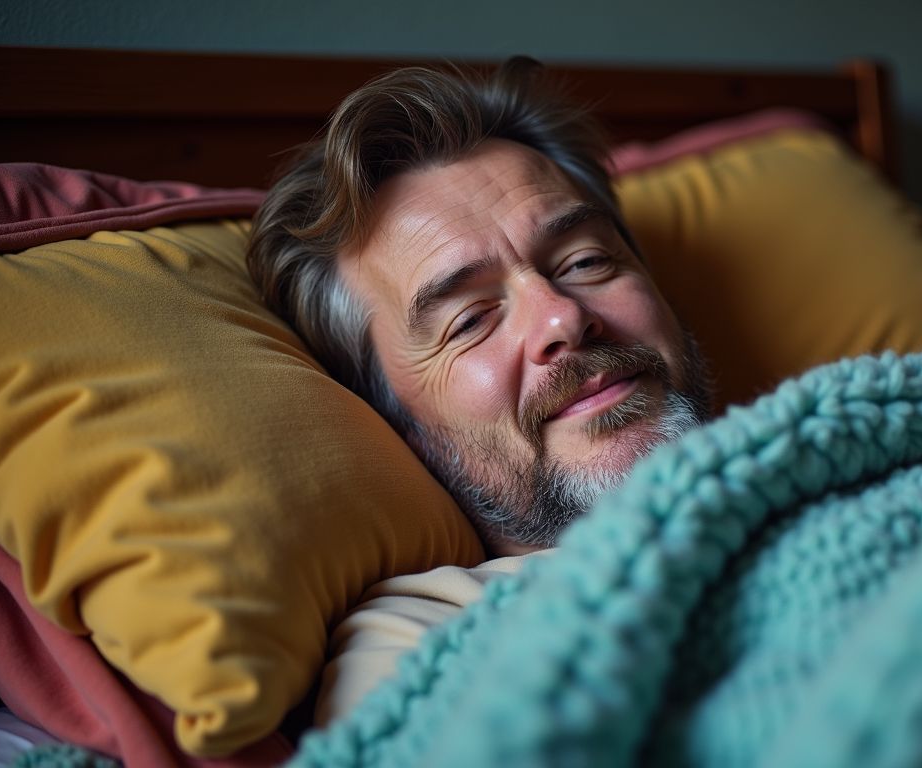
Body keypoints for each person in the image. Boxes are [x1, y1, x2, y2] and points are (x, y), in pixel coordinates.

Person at [246, 58, 714, 723]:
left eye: (585, 261)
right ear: (398, 421)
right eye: (470, 319)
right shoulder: (421, 648)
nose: (563, 318)